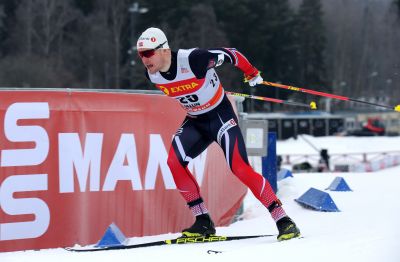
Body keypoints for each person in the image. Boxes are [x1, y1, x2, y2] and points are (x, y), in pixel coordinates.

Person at [136, 27, 301, 241]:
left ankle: (284, 220)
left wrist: (251, 72)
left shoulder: (195, 59)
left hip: (219, 116)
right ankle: (203, 221)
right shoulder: (151, 74)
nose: (144, 59)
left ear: (164, 50)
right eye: (141, 54)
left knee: (239, 168)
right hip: (195, 121)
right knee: (174, 162)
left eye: (148, 53)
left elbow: (232, 54)